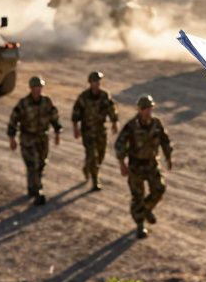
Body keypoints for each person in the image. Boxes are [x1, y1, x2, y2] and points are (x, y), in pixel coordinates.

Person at [115, 95, 173, 239]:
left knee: (159, 189)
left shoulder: (156, 123)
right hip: (136, 166)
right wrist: (122, 163)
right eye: (145, 109)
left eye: (150, 108)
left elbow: (165, 141)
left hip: (152, 164)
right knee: (138, 196)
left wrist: (168, 157)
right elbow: (120, 144)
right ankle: (140, 226)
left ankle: (146, 210)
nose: (148, 111)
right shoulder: (131, 126)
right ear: (140, 110)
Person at [7, 75, 61, 206]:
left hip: (43, 138)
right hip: (28, 139)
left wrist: (58, 133)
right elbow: (13, 121)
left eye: (40, 87)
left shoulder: (47, 102)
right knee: (33, 165)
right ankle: (38, 192)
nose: (38, 90)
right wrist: (12, 139)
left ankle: (32, 187)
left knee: (41, 164)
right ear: (31, 89)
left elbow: (54, 118)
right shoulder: (23, 104)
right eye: (36, 87)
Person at [72, 71, 119, 190]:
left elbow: (111, 109)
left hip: (100, 130)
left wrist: (114, 122)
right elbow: (76, 113)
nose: (97, 84)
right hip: (87, 131)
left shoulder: (104, 95)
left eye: (98, 82)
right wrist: (75, 128)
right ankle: (95, 181)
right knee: (92, 155)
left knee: (101, 155)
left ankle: (87, 168)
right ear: (90, 83)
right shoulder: (83, 97)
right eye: (94, 82)